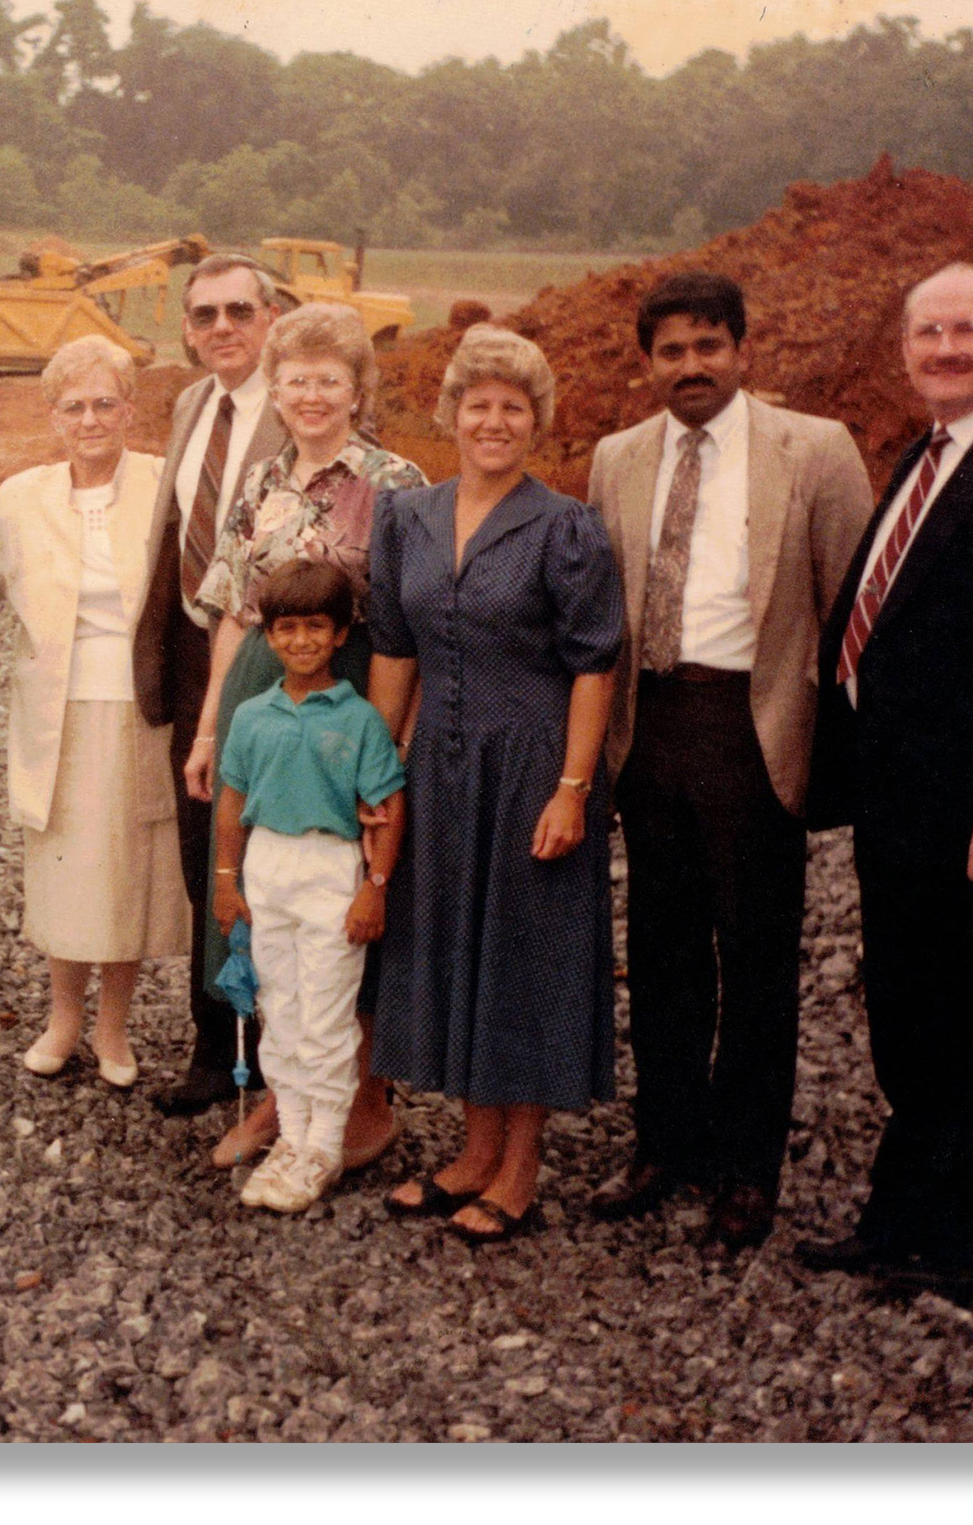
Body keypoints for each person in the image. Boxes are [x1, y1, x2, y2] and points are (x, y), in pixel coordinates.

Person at [797, 264, 973, 1308]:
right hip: (901, 800)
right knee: (910, 1016)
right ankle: (905, 1215)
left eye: (967, 329)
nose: (945, 347)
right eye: (927, 331)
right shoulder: (932, 451)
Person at [582, 273, 876, 1254]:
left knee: (754, 960)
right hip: (650, 724)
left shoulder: (814, 448)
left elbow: (852, 610)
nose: (691, 365)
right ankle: (667, 1144)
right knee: (661, 953)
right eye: (670, 350)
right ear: (647, 364)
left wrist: (837, 756)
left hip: (751, 726)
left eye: (708, 344)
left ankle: (747, 1172)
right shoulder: (615, 457)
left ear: (742, 350)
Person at [367, 325, 624, 1244]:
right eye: (478, 404)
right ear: (452, 414)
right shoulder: (410, 518)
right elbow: (395, 649)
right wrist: (378, 765)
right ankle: (473, 1150)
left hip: (529, 766)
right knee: (455, 942)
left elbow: (596, 664)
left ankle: (521, 1166)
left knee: (524, 955)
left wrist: (572, 787)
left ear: (536, 422)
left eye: (513, 407)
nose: (493, 420)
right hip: (439, 759)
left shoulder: (563, 525)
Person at [182, 302, 426, 1171]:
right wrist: (213, 722)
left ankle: (361, 1102)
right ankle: (283, 1097)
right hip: (263, 690)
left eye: (330, 379)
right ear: (274, 391)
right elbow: (235, 611)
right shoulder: (258, 484)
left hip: (354, 695)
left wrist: (393, 741)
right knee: (270, 896)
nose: (312, 395)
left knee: (344, 900)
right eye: (296, 381)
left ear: (358, 389)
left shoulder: (398, 483)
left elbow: (414, 627)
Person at [0, 336, 190, 1089]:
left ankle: (114, 1026)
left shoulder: (165, 485)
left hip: (139, 708)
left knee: (127, 867)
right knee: (65, 867)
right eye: (74, 406)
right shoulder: (20, 498)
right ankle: (64, 1017)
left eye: (106, 403)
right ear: (53, 414)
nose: (91, 419)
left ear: (130, 408)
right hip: (56, 709)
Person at [133, 254, 286, 1121]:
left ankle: (277, 1045)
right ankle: (215, 1037)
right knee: (206, 854)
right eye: (204, 315)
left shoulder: (299, 399)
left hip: (273, 657)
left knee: (267, 852)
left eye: (238, 310)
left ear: (269, 316)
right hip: (194, 655)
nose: (221, 327)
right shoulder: (194, 404)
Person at [212, 561, 408, 1213]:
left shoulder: (357, 720)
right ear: (266, 636)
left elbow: (388, 802)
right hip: (267, 867)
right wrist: (226, 880)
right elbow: (231, 797)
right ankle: (291, 1139)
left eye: (316, 628)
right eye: (286, 628)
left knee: (326, 1014)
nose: (301, 641)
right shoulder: (250, 715)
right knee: (282, 1009)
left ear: (342, 633)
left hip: (330, 869)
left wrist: (373, 886)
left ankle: (324, 1144)